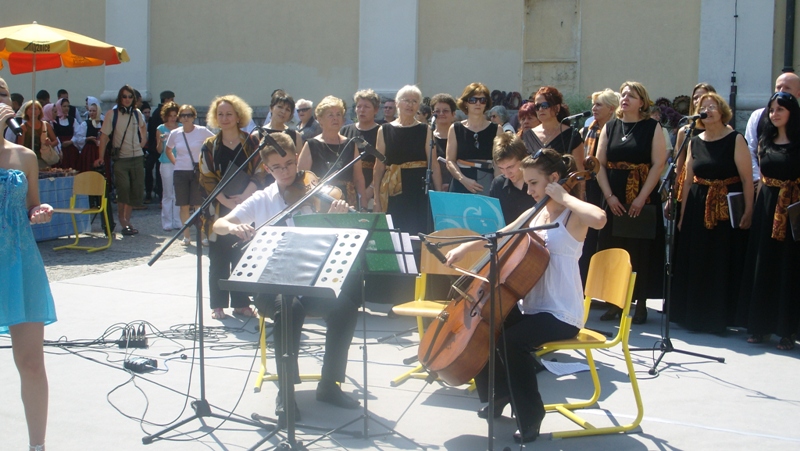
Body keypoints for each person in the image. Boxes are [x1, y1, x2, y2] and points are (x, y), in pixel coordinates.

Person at [445, 148, 606, 444]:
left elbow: (599, 218)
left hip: (561, 313)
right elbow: (500, 235)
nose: (528, 190)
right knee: (486, 323)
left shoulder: (572, 216)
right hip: (532, 307)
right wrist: (465, 247)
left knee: (512, 342)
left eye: (533, 183)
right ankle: (499, 393)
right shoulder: (535, 214)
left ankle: (531, 416)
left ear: (554, 179)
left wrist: (564, 196)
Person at [213, 132, 360, 423]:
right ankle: (286, 391)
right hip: (271, 285)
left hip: (312, 282)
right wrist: (233, 228)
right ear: (267, 169)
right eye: (277, 167)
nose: (286, 172)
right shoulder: (261, 199)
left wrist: (338, 215)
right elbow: (219, 223)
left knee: (346, 305)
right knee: (288, 307)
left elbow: (337, 233)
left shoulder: (314, 192)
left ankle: (330, 384)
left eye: (290, 164)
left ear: (297, 160)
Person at [1, 76, 57, 451]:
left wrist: (39, 211)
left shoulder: (26, 156)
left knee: (32, 362)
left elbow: (30, 205)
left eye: (3, 93)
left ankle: (37, 446)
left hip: (20, 264)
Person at [671, 92, 752, 334]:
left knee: (721, 260)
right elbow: (687, 181)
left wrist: (749, 210)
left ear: (722, 111)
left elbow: (747, 179)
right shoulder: (694, 141)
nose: (707, 110)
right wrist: (683, 215)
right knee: (698, 260)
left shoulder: (735, 139)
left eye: (712, 106)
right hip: (697, 206)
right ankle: (694, 316)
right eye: (702, 107)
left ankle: (720, 318)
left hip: (725, 208)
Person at [596, 81, 666, 325]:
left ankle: (641, 304)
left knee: (640, 250)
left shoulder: (652, 127)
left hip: (641, 195)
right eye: (623, 94)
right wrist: (609, 196)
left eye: (631, 96)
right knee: (614, 248)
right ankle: (614, 303)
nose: (625, 98)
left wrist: (641, 197)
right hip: (614, 195)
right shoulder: (610, 127)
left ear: (642, 103)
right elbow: (599, 164)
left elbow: (658, 164)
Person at [739, 92, 800, 350]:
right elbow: (763, 179)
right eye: (771, 109)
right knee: (764, 265)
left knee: (789, 266)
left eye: (780, 109)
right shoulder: (766, 141)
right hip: (767, 208)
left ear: (791, 112)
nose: (774, 114)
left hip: (792, 207)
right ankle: (760, 326)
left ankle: (787, 331)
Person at [199, 94, 265, 320]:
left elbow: (260, 171)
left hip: (247, 205)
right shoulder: (210, 145)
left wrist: (245, 197)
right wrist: (227, 201)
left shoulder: (252, 142)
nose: (225, 118)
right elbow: (206, 176)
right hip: (218, 209)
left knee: (241, 256)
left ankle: (241, 303)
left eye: (229, 114)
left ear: (239, 116)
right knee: (218, 258)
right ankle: (217, 305)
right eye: (220, 114)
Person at [373, 85, 442, 235]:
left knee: (419, 233)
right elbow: (378, 167)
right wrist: (376, 198)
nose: (410, 104)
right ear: (397, 103)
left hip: (418, 190)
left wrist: (438, 196)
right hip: (393, 190)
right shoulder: (384, 130)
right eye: (406, 100)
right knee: (396, 233)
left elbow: (434, 165)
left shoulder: (425, 130)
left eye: (414, 101)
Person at [579, 89, 620, 282]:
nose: (594, 108)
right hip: (589, 186)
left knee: (605, 235)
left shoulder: (617, 131)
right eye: (593, 105)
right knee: (588, 237)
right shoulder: (588, 130)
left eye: (598, 105)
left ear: (611, 109)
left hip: (609, 185)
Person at [97, 85, 148, 236]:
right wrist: (100, 157)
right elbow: (104, 137)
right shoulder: (112, 114)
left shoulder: (137, 113)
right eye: (124, 96)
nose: (127, 99)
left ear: (134, 99)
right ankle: (122, 219)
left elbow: (143, 127)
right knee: (123, 188)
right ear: (120, 98)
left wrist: (143, 141)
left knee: (135, 189)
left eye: (130, 97)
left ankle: (127, 219)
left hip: (137, 156)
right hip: (121, 158)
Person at [166, 105, 214, 244]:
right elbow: (168, 150)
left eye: (188, 115)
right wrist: (176, 162)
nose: (185, 118)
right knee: (183, 205)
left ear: (194, 117)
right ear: (179, 118)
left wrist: (207, 162)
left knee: (198, 204)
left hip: (197, 170)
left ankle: (203, 236)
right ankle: (186, 236)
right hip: (180, 172)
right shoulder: (175, 133)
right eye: (183, 115)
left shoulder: (202, 131)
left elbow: (215, 142)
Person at [298, 96, 358, 205]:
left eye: (338, 114)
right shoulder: (311, 145)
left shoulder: (351, 144)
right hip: (320, 201)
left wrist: (363, 204)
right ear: (320, 119)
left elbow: (358, 178)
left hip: (347, 202)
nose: (335, 118)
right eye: (330, 115)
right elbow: (301, 179)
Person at [445, 83, 503, 194]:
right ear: (465, 103)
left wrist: (497, 187)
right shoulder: (455, 128)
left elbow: (498, 164)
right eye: (473, 100)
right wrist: (463, 180)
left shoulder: (497, 129)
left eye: (482, 100)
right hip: (461, 182)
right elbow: (450, 161)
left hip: (486, 181)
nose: (478, 103)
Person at [745, 72, 800, 183]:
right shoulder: (758, 116)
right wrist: (757, 180)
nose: (781, 91)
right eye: (778, 87)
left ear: (798, 93)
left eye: (787, 88)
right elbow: (750, 150)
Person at [523, 86, 584, 170]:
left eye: (545, 105)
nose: (540, 109)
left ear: (557, 108)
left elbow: (579, 171)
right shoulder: (528, 136)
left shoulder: (571, 135)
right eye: (537, 106)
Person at [341, 89, 381, 211]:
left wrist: (370, 190)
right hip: (348, 189)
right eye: (359, 106)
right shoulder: (345, 130)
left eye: (366, 107)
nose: (361, 110)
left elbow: (383, 165)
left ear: (376, 110)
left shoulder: (381, 132)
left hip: (373, 191)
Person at [489, 134, 536, 225]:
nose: (506, 174)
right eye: (501, 168)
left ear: (524, 159)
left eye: (510, 167)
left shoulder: (537, 183)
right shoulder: (498, 184)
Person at [153, 102, 181, 232]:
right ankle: (167, 221)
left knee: (178, 193)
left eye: (175, 115)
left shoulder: (181, 127)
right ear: (166, 116)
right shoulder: (161, 128)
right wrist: (161, 140)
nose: (173, 118)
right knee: (168, 193)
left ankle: (177, 220)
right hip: (166, 163)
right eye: (170, 115)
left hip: (179, 163)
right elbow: (159, 150)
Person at [146, 90, 176, 204]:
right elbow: (155, 132)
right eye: (171, 99)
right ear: (166, 99)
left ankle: (155, 194)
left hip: (166, 152)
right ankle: (158, 195)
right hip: (159, 149)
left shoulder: (179, 126)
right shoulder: (158, 114)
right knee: (161, 177)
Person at [261, 90, 304, 164]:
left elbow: (299, 163)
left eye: (287, 109)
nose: (283, 112)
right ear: (271, 108)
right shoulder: (258, 134)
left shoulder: (296, 136)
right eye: (280, 107)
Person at [17, 101, 58, 169]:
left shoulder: (46, 125)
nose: (33, 111)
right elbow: (20, 146)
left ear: (39, 111)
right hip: (29, 159)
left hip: (44, 159)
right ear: (26, 112)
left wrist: (50, 143)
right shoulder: (23, 127)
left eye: (35, 109)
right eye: (31, 109)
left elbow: (56, 141)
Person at [51, 98, 84, 170]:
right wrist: (60, 145)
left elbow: (78, 133)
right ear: (59, 107)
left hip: (71, 149)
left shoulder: (72, 120)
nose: (67, 108)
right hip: (59, 149)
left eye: (68, 106)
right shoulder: (54, 121)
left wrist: (71, 141)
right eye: (64, 106)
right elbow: (53, 134)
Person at [75, 98, 103, 174]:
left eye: (94, 111)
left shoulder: (103, 123)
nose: (92, 113)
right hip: (90, 151)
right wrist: (88, 138)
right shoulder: (85, 124)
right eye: (90, 111)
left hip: (101, 150)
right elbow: (79, 138)